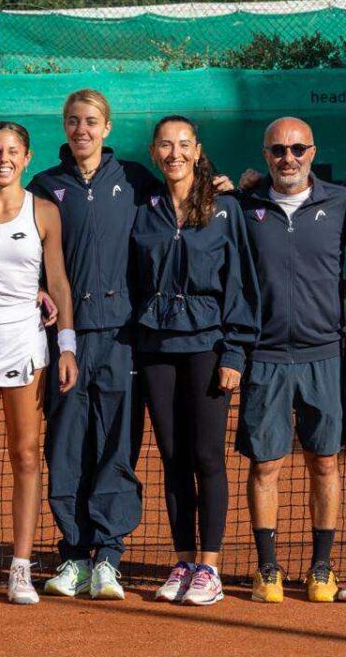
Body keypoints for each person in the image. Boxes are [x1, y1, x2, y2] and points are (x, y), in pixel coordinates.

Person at [28, 89, 157, 600]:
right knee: (66, 442)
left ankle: (108, 556)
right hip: (64, 341)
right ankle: (75, 554)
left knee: (116, 442)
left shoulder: (134, 180)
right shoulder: (43, 186)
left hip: (121, 335)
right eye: (73, 121)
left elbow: (184, 204)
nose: (81, 130)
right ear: (64, 127)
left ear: (107, 127)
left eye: (91, 121)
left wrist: (234, 184)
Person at [132, 115, 260, 606]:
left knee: (208, 457)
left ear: (198, 150)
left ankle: (210, 566)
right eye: (165, 145)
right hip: (156, 348)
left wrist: (234, 352)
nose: (175, 153)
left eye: (183, 144)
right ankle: (183, 560)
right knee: (172, 458)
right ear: (153, 152)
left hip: (208, 349)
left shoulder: (226, 207)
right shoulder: (144, 209)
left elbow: (241, 286)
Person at [0, 121, 78, 605]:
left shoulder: (44, 211)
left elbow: (60, 282)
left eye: (13, 151)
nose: (3, 158)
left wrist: (66, 344)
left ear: (27, 158)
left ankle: (20, 568)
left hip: (25, 340)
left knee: (26, 455)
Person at [236, 117, 346, 603]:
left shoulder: (340, 202)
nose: (289, 158)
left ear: (312, 151)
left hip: (325, 355)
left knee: (325, 462)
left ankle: (321, 568)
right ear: (265, 156)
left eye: (298, 149)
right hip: (266, 357)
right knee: (266, 465)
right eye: (278, 150)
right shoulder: (243, 207)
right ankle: (267, 568)